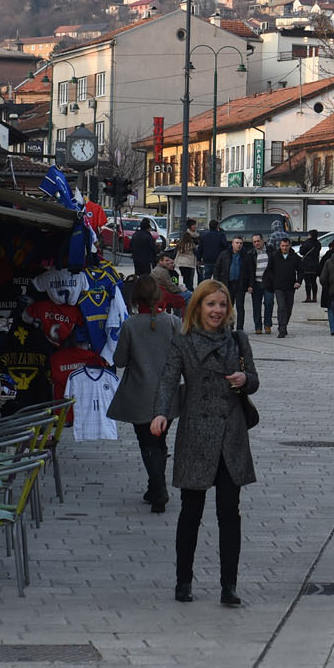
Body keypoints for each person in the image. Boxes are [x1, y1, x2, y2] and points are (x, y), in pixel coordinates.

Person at [149, 280, 259, 607]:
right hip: (196, 431)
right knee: (190, 511)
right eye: (211, 304)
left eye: (222, 305)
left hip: (231, 434)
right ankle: (183, 581)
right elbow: (169, 380)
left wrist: (244, 381)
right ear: (197, 307)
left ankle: (229, 585)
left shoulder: (238, 340)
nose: (217, 311)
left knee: (229, 511)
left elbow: (253, 379)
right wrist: (161, 414)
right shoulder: (182, 341)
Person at [110, 277, 181, 513]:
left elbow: (119, 360)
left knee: (148, 441)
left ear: (135, 299)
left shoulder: (130, 325)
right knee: (159, 440)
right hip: (169, 395)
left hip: (140, 393)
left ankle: (159, 488)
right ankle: (155, 486)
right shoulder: (173, 322)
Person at [264, 236, 302, 338]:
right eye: (282, 246)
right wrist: (272, 281)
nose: (284, 248)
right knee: (282, 306)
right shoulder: (274, 256)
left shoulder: (295, 257)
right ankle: (282, 328)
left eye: (286, 246)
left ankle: (284, 324)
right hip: (278, 286)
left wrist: (298, 282)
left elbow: (301, 270)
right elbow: (269, 270)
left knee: (288, 307)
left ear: (290, 246)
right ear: (279, 246)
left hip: (290, 286)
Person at [212, 235, 251, 330]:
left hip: (240, 284)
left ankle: (240, 327)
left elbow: (250, 271)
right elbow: (217, 268)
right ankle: (229, 326)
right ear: (232, 244)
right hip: (227, 284)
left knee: (240, 307)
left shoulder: (246, 255)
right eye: (237, 243)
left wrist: (250, 285)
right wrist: (217, 283)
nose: (239, 245)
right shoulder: (224, 254)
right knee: (229, 306)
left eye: (241, 243)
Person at [248, 233, 273, 334]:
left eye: (258, 241)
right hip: (256, 283)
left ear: (263, 241)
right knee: (256, 305)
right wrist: (249, 285)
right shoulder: (251, 254)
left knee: (269, 302)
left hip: (268, 283)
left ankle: (267, 324)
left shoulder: (271, 251)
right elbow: (249, 271)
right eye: (254, 242)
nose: (256, 243)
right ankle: (258, 326)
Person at [198, 219, 229, 286]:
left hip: (207, 259)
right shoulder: (221, 235)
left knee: (207, 277)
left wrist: (199, 259)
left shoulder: (204, 235)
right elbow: (226, 246)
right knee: (217, 278)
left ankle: (205, 290)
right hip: (218, 259)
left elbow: (200, 248)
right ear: (217, 226)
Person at [320, 240, 334, 336]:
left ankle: (333, 328)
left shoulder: (326, 258)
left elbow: (320, 272)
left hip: (328, 286)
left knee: (330, 308)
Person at [175, 219, 200, 291]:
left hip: (181, 263)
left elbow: (175, 252)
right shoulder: (192, 244)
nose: (195, 226)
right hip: (190, 263)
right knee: (190, 278)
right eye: (193, 225)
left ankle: (186, 290)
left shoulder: (180, 244)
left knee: (185, 278)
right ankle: (190, 291)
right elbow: (196, 252)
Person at [299, 230, 323, 302]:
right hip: (315, 264)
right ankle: (314, 297)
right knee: (314, 282)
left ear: (310, 235)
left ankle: (308, 297)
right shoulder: (318, 243)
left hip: (307, 264)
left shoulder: (307, 242)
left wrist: (301, 246)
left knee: (307, 282)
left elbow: (302, 252)